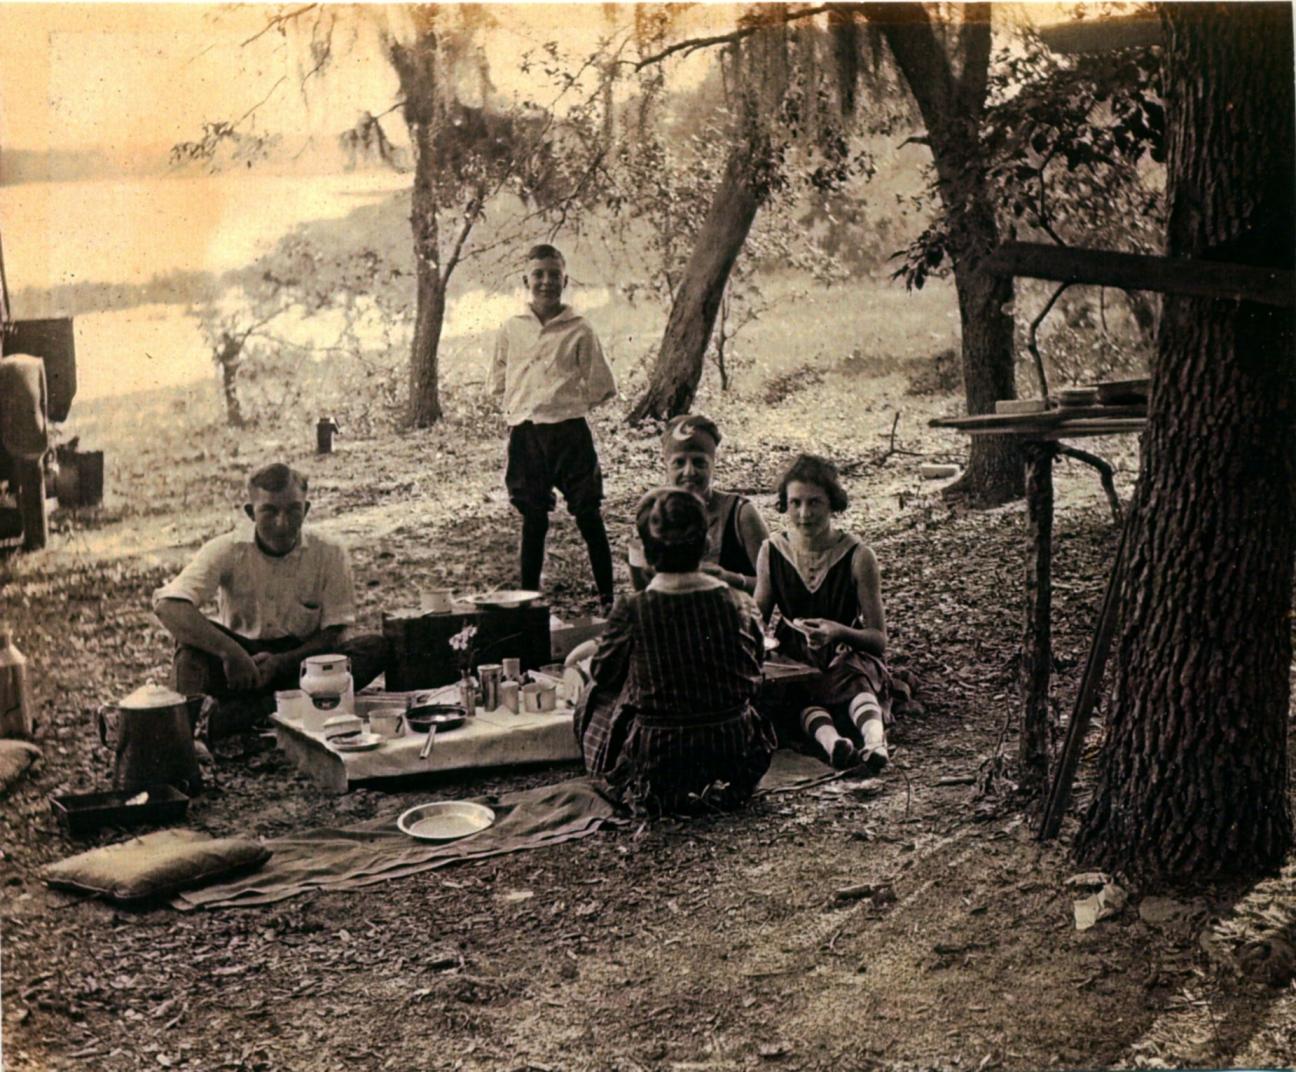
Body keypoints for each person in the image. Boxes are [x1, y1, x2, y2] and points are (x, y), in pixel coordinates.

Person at [575, 487, 777, 814]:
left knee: (595, 697)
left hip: (660, 761)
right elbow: (756, 664)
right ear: (705, 545)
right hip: (735, 752)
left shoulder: (633, 608)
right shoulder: (740, 603)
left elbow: (603, 674)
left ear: (647, 553)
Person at [153, 462, 388, 737]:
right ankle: (187, 734)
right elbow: (168, 606)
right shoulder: (226, 549)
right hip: (242, 667)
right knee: (189, 646)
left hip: (302, 665)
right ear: (251, 512)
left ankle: (240, 715)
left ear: (307, 509)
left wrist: (283, 662)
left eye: (293, 510)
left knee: (376, 647)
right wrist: (232, 653)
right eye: (269, 511)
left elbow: (336, 634)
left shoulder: (330, 552)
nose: (282, 523)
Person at [490, 243, 618, 614]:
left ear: (565, 280)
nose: (546, 282)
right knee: (533, 517)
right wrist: (526, 406)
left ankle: (608, 599)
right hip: (526, 434)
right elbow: (499, 381)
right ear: (526, 279)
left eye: (553, 275)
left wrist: (564, 405)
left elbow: (600, 385)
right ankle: (528, 604)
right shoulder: (512, 329)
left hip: (568, 434)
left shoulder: (579, 328)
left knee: (588, 513)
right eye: (538, 274)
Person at [755, 453, 893, 773]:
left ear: (832, 503)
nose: (804, 514)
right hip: (795, 654)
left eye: (815, 502)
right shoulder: (773, 551)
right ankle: (834, 746)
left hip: (847, 652)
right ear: (784, 505)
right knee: (799, 695)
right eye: (795, 503)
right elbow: (756, 620)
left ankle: (875, 744)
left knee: (857, 682)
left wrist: (838, 631)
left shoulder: (859, 556)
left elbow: (878, 639)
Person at [627, 413, 768, 596]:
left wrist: (729, 578)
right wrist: (635, 560)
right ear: (666, 465)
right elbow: (643, 590)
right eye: (679, 462)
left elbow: (774, 584)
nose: (689, 472)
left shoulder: (740, 513)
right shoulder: (656, 511)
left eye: (699, 462)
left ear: (713, 464)